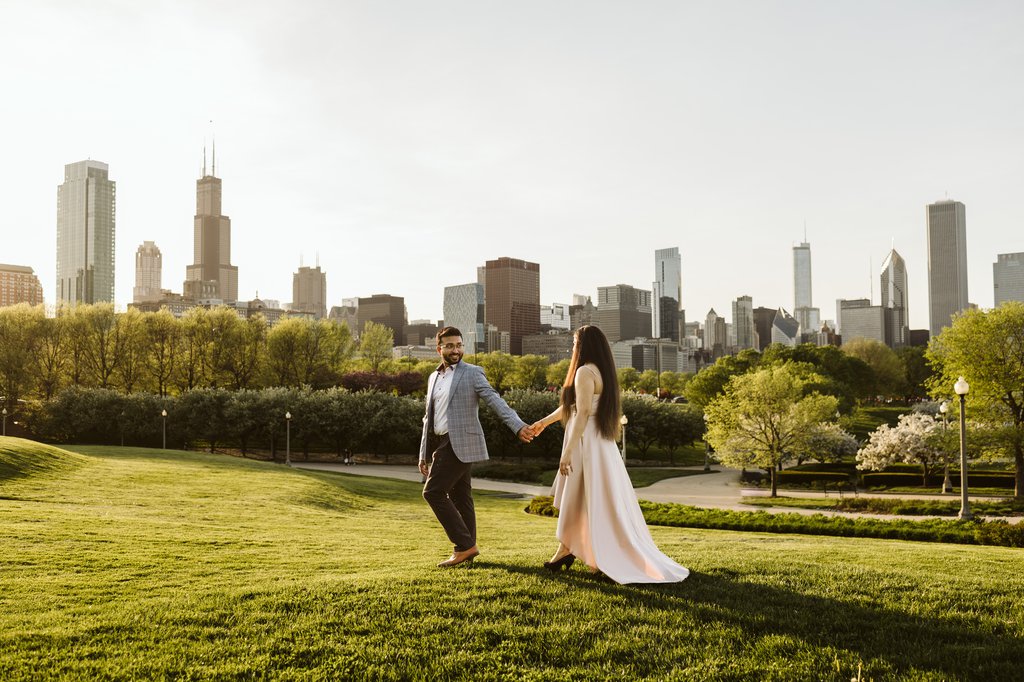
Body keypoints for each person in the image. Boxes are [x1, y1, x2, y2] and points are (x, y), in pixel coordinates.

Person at [530, 325, 689, 584]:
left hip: (586, 442)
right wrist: (544, 423)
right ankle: (567, 549)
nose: (572, 348)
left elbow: (581, 413)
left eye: (574, 343)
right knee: (592, 499)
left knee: (583, 499)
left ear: (583, 346)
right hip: (601, 443)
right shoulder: (602, 372)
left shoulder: (583, 371)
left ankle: (583, 553)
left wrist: (568, 451)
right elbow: (571, 407)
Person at [419, 326, 536, 568]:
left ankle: (464, 546)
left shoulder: (472, 373)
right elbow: (428, 419)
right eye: (450, 346)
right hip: (442, 441)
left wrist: (518, 426)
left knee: (433, 492)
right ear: (439, 349)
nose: (456, 350)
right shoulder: (433, 378)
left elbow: (495, 400)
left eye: (459, 345)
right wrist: (423, 454)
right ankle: (467, 547)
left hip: (461, 440)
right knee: (461, 496)